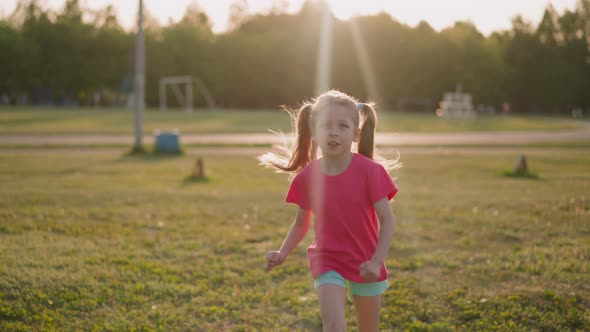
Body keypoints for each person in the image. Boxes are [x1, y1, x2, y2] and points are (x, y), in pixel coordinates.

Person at [259, 90, 401, 331]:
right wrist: (283, 253)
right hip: (327, 259)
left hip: (366, 260)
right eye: (326, 126)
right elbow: (301, 222)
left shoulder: (370, 172)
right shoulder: (307, 177)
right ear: (314, 132)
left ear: (356, 134)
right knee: (333, 323)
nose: (333, 132)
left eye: (343, 126)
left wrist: (376, 261)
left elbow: (388, 221)